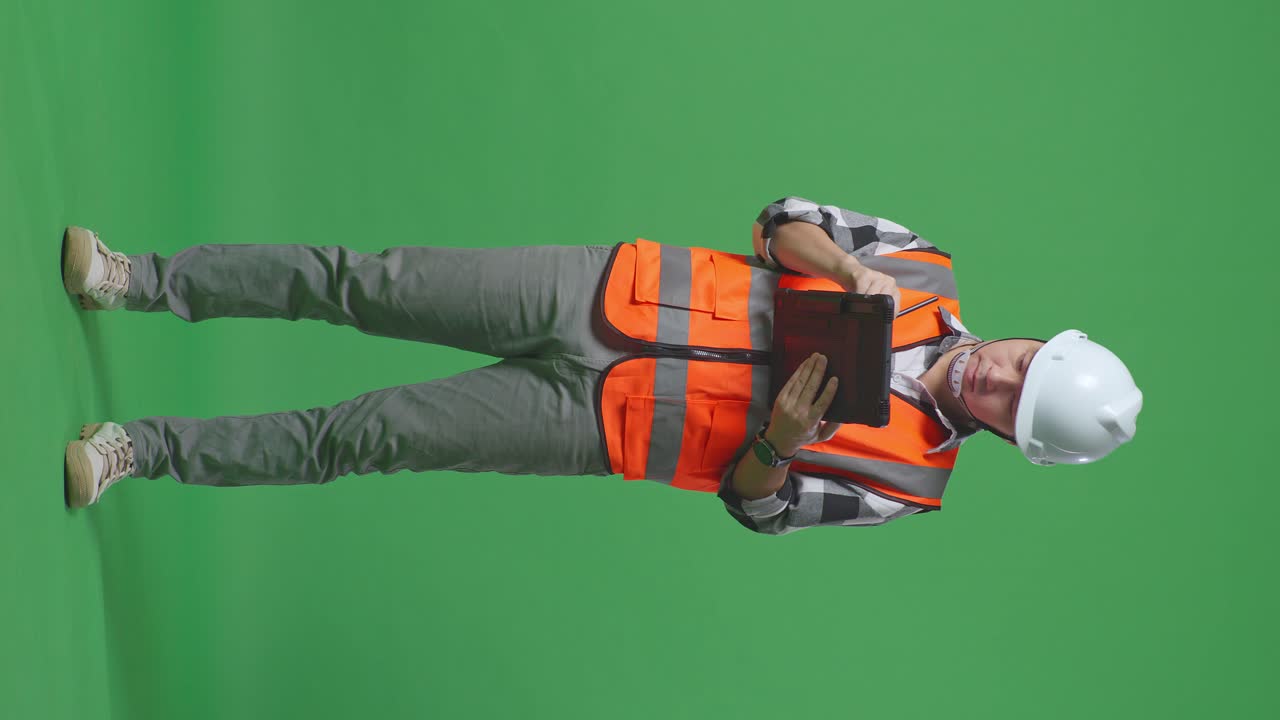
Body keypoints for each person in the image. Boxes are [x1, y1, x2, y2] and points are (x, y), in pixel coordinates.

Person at [61, 196, 1143, 534]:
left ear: (1009, 437)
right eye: (1021, 359)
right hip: (605, 288)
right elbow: (779, 222)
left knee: (368, 433)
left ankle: (140, 452)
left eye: (1012, 399)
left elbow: (758, 511)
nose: (995, 375)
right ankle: (141, 279)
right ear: (1032, 334)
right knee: (367, 282)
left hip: (598, 423)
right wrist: (845, 274)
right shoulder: (921, 265)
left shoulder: (911, 484)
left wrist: (779, 446)